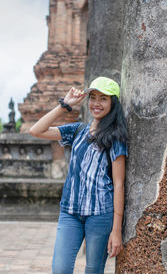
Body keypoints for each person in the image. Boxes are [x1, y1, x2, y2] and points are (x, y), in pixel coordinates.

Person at [29, 76, 128, 274]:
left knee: (93, 270)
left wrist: (116, 231)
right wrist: (64, 105)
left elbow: (119, 184)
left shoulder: (115, 136)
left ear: (113, 103)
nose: (96, 103)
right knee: (61, 269)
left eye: (103, 98)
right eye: (93, 97)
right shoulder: (77, 130)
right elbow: (36, 130)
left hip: (100, 213)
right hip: (70, 212)